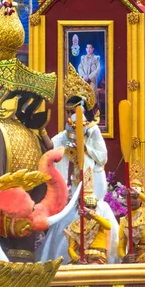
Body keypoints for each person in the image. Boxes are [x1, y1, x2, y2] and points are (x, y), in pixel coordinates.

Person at [52, 64, 107, 200]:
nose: (69, 116)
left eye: (72, 112)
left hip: (92, 178)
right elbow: (55, 143)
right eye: (68, 112)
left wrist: (85, 148)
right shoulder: (66, 133)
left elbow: (103, 157)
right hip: (75, 178)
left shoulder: (92, 130)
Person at [63, 168, 112, 264]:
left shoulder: (100, 221)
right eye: (87, 206)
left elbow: (108, 226)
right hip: (82, 259)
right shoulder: (75, 225)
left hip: (98, 257)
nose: (90, 209)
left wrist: (93, 215)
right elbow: (71, 249)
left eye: (93, 207)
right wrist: (77, 259)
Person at [118, 159, 145, 263]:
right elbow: (121, 245)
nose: (132, 200)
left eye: (135, 197)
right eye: (130, 197)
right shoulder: (124, 220)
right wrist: (124, 257)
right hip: (135, 257)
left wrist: (140, 195)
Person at [78, 43, 101, 114]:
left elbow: (97, 69)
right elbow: (80, 68)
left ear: (93, 49)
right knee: (83, 96)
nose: (89, 49)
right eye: (87, 48)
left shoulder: (96, 58)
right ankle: (84, 115)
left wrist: (90, 77)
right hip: (84, 81)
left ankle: (93, 115)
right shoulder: (83, 58)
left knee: (92, 96)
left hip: (92, 81)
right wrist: (84, 76)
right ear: (85, 49)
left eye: (90, 47)